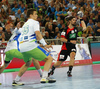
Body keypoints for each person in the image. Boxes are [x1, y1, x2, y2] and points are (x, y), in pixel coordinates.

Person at [17, 8, 56, 83]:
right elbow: (38, 33)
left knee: (28, 63)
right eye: (35, 14)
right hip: (30, 45)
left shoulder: (25, 24)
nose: (37, 15)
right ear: (30, 15)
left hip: (22, 46)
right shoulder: (35, 22)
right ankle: (44, 77)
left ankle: (16, 80)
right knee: (49, 59)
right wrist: (45, 44)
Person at [0, 21, 43, 86]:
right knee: (29, 61)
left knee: (4, 65)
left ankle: (42, 75)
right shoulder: (23, 30)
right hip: (14, 50)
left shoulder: (17, 31)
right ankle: (42, 75)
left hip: (7, 51)